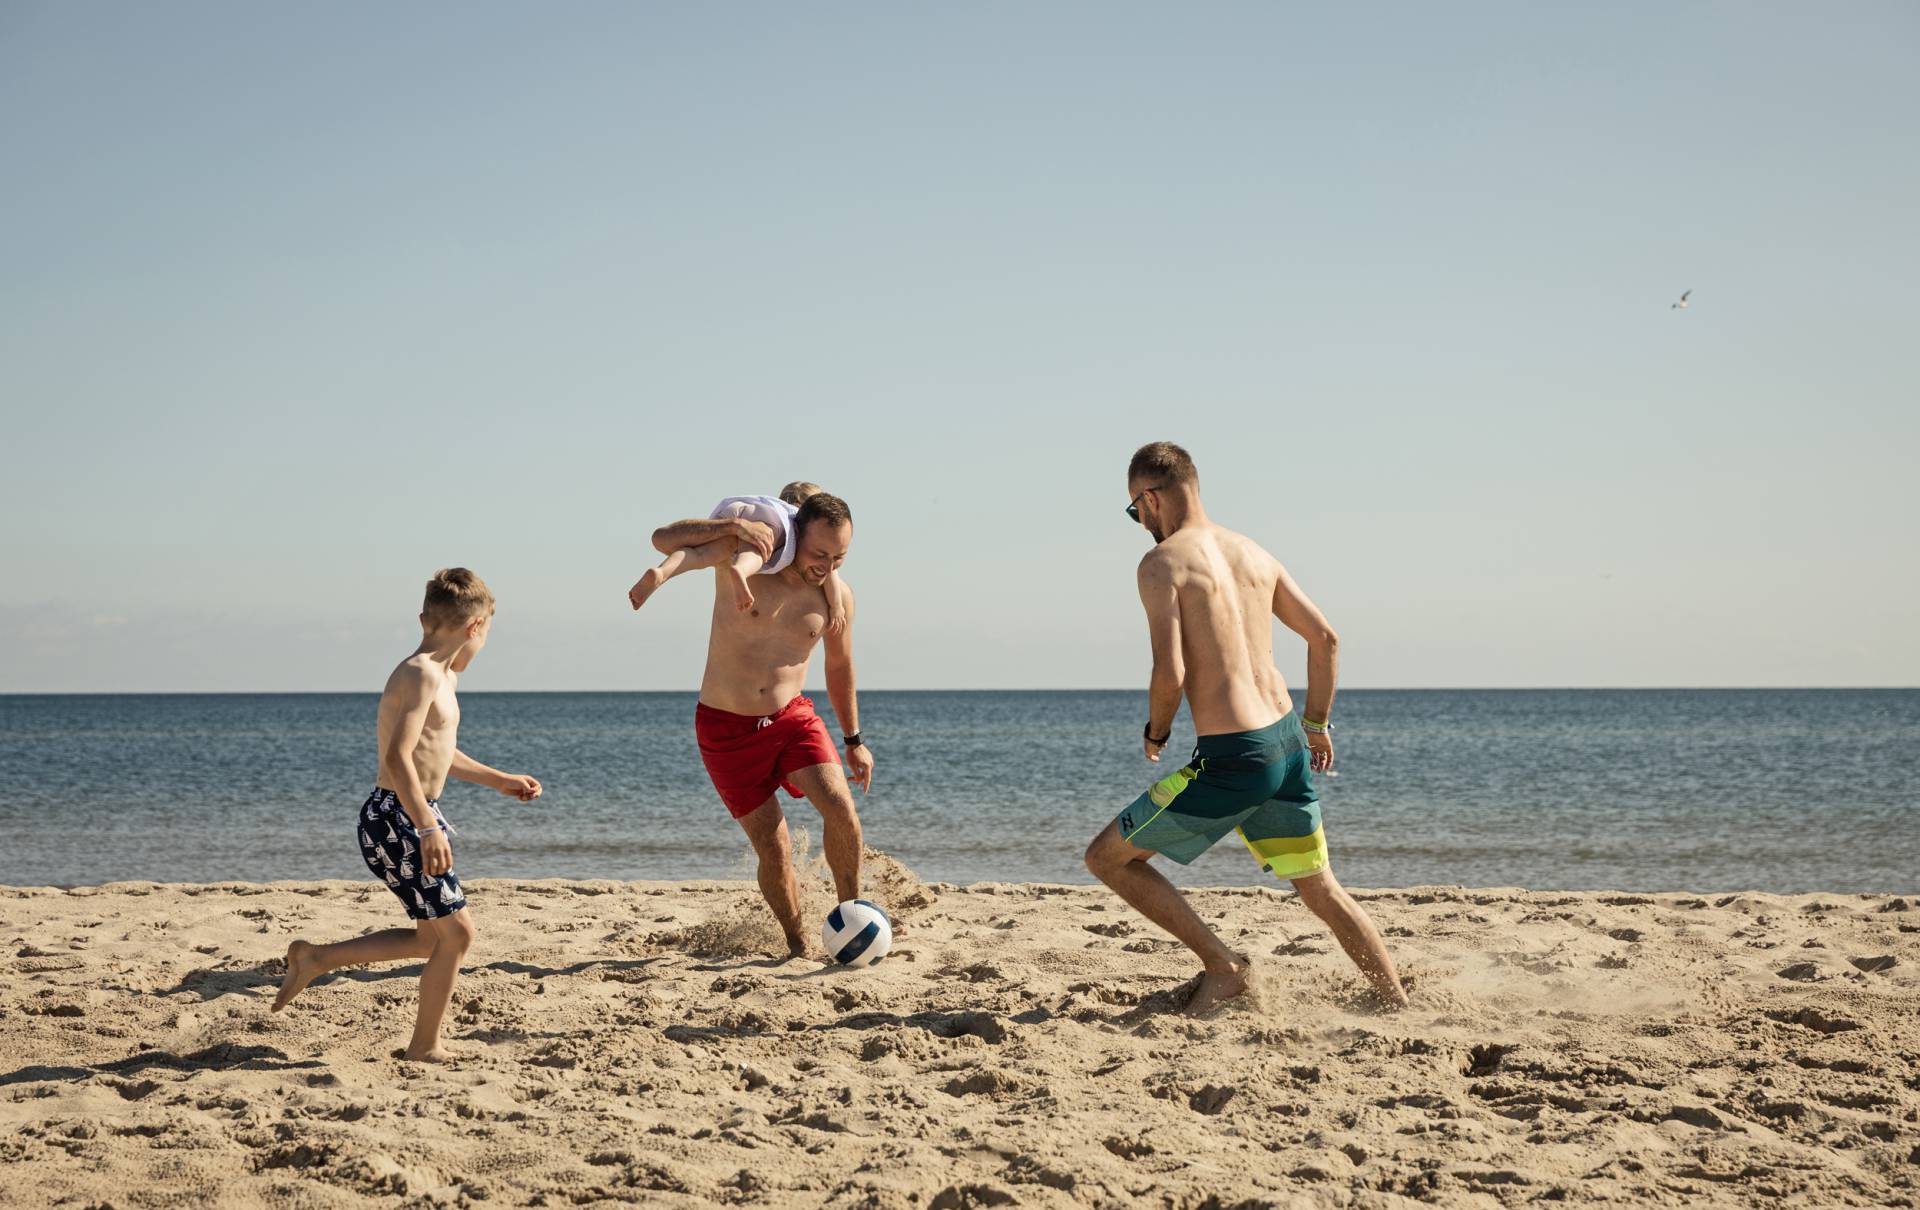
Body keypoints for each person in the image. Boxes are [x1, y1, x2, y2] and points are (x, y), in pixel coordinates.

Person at [1085, 443, 1408, 1016]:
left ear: (1151, 499)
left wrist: (1156, 731)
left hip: (1234, 757)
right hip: (1286, 743)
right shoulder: (1254, 552)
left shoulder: (1162, 565)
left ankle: (1224, 965)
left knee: (1108, 858)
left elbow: (1172, 671)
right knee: (1322, 889)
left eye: (1136, 513)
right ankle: (1397, 1000)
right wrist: (1316, 724)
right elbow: (1326, 640)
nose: (1140, 525)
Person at [271, 568, 543, 1060]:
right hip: (397, 816)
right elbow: (398, 759)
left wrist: (500, 779)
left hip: (403, 813)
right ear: (476, 627)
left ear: (425, 618)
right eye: (486, 636)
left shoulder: (443, 677)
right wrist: (426, 826)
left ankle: (314, 958)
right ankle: (424, 1047)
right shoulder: (420, 675)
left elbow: (438, 753)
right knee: (458, 934)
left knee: (428, 939)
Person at [646, 492, 877, 957]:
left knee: (841, 810)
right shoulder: (744, 557)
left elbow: (839, 666)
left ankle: (852, 918)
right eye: (819, 555)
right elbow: (661, 538)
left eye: (840, 557)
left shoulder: (837, 596)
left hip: (792, 719)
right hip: (725, 729)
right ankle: (798, 945)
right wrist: (728, 529)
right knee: (775, 847)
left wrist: (854, 740)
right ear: (794, 534)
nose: (828, 567)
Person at [627, 481, 850, 632]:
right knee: (757, 551)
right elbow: (660, 539)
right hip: (756, 524)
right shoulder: (787, 526)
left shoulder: (817, 562)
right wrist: (836, 606)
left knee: (701, 554)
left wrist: (734, 526)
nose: (828, 564)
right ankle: (741, 571)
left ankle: (662, 572)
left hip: (739, 508)